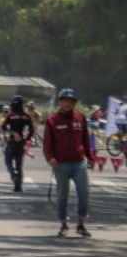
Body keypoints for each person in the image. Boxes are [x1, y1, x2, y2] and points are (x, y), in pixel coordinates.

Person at [43, 88, 93, 238]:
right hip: (61, 164)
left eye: (71, 101)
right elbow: (47, 142)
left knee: (84, 193)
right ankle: (63, 224)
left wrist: (90, 156)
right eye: (65, 100)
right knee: (62, 195)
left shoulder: (80, 118)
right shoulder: (52, 120)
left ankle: (81, 224)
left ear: (74, 103)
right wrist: (50, 157)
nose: (68, 103)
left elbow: (86, 139)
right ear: (60, 102)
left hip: (79, 162)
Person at [0, 96, 35, 192]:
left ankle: (13, 175)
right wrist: (26, 139)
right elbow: (31, 130)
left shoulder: (10, 115)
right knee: (19, 165)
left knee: (8, 161)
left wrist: (12, 133)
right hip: (21, 143)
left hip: (11, 142)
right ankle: (18, 187)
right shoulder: (26, 116)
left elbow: (3, 127)